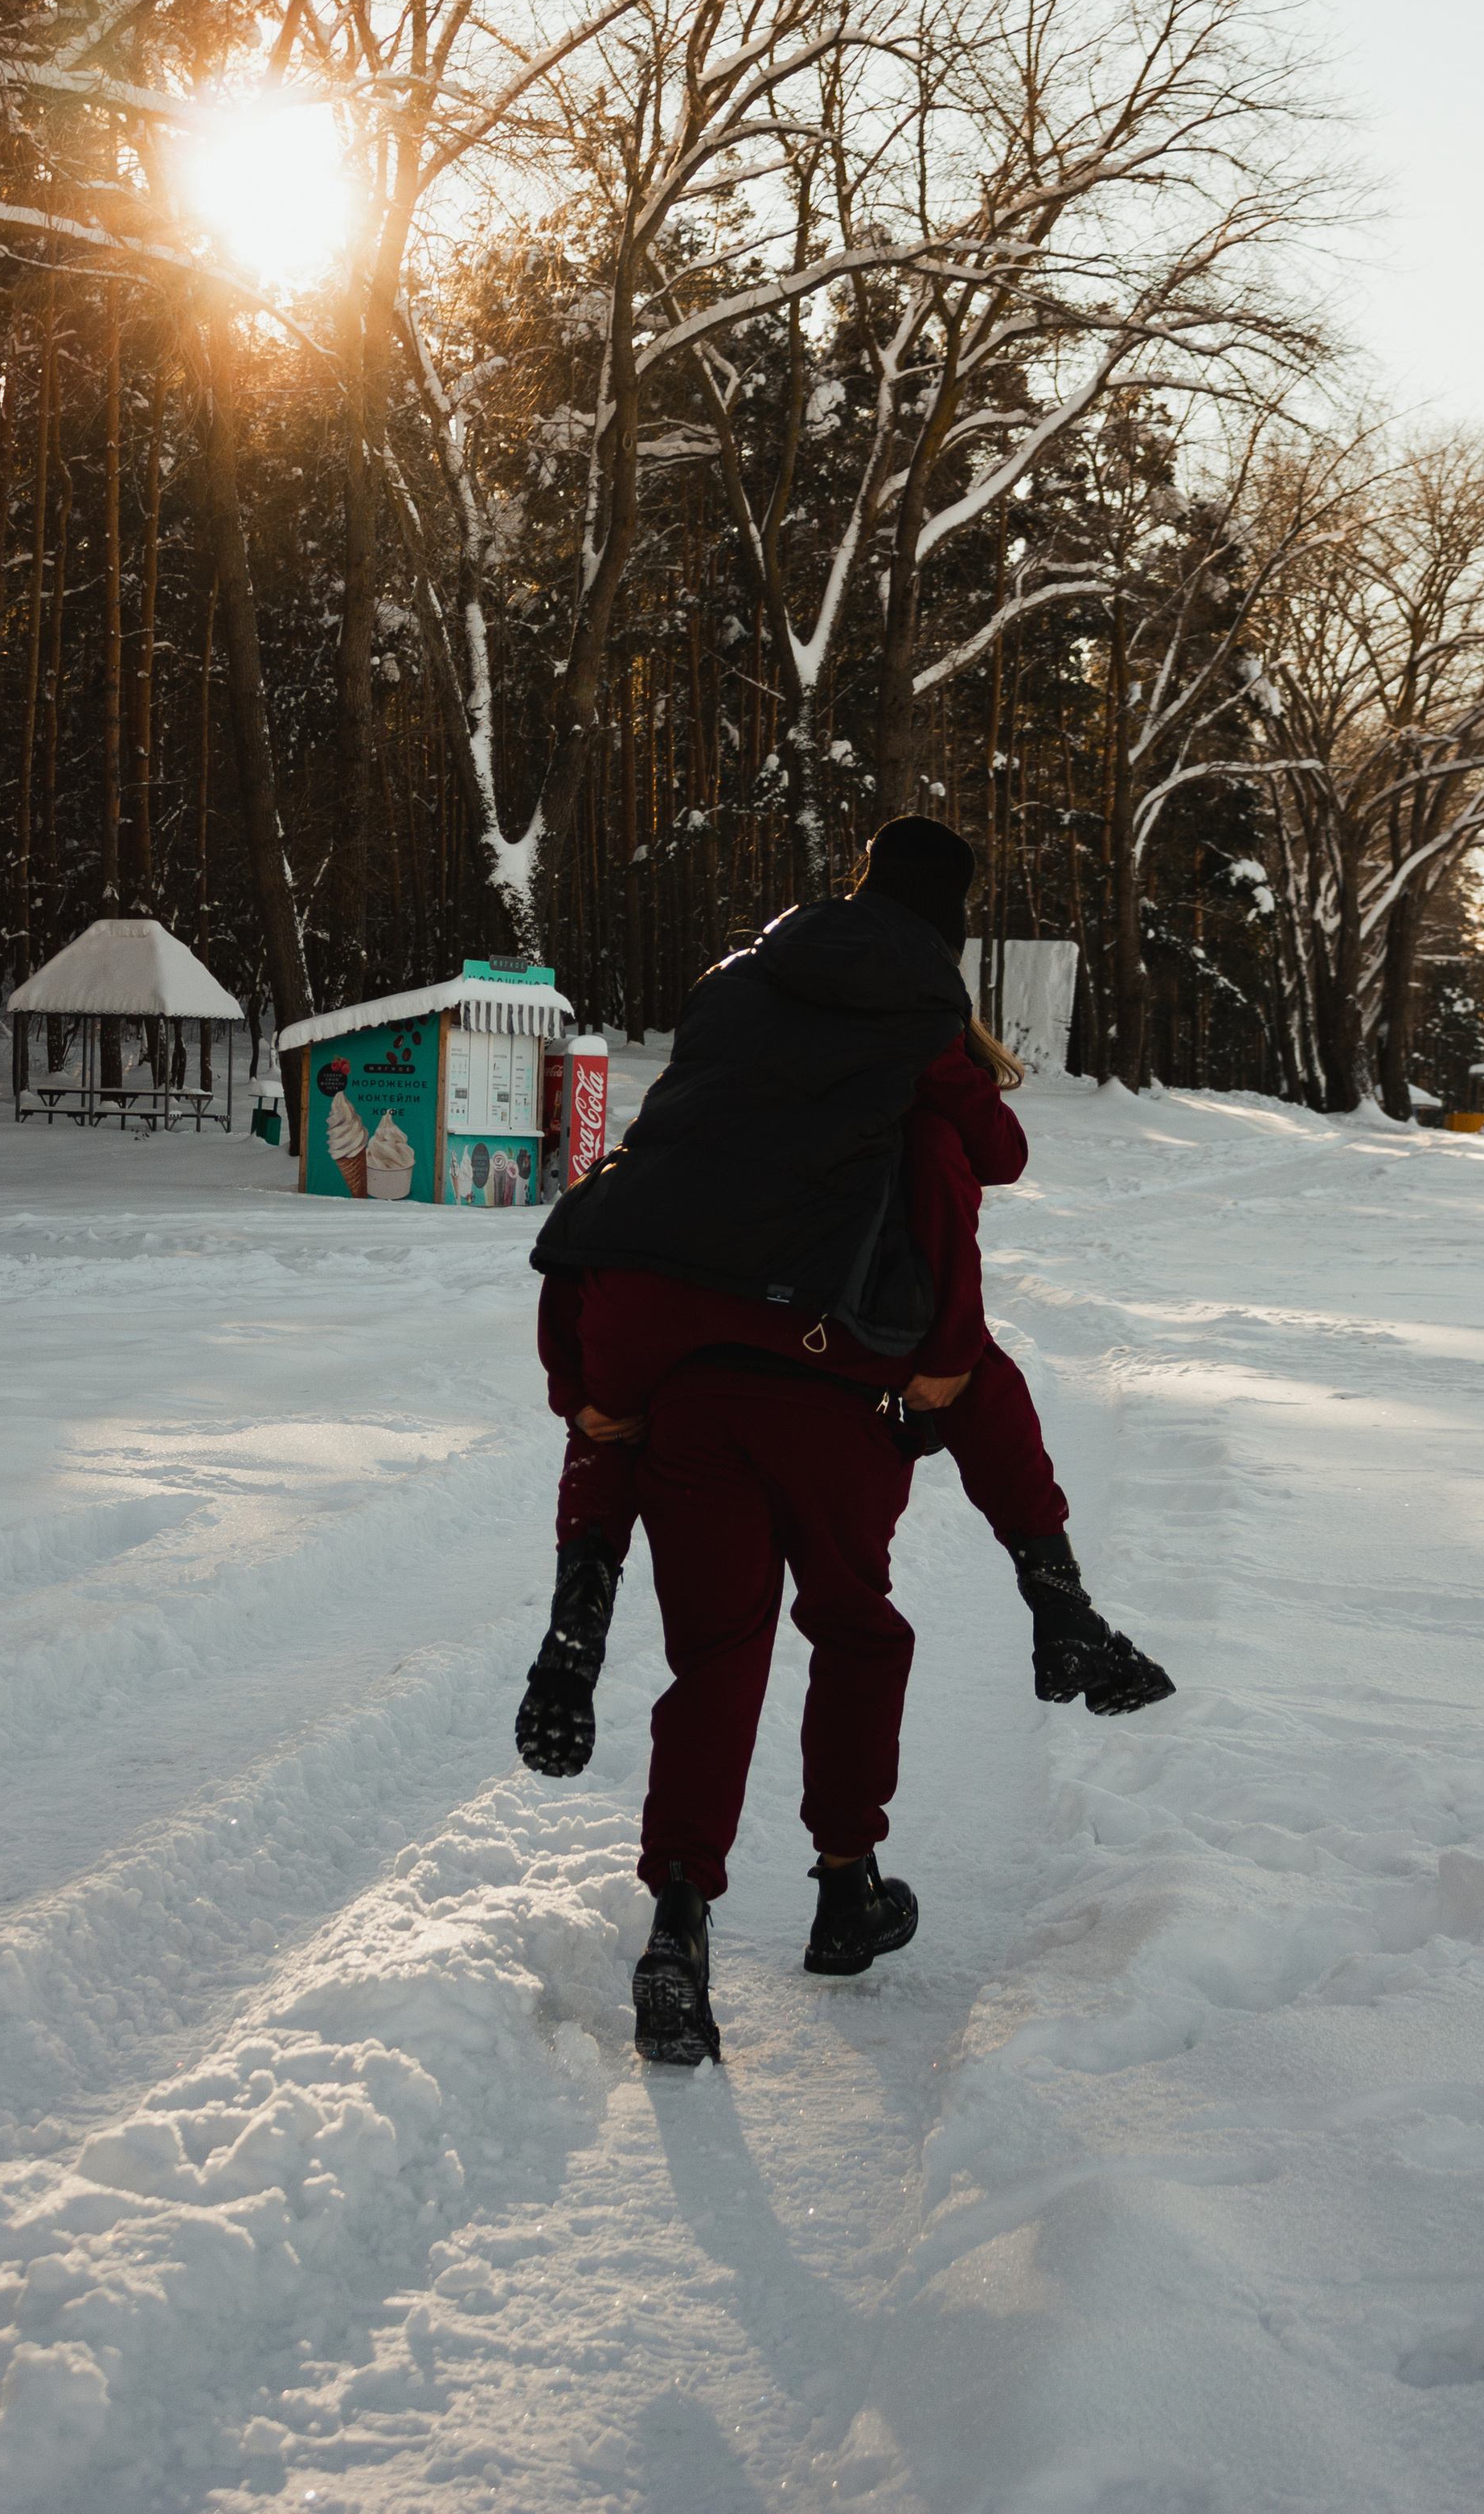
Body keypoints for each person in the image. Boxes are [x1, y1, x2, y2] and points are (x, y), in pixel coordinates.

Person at [520, 818, 1171, 2063]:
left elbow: (676, 1139)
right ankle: (850, 1876)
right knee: (860, 1621)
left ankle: (675, 1922)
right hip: (829, 1364)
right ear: (949, 932)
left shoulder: (734, 986)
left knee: (711, 1642)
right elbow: (987, 1169)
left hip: (663, 1322)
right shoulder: (921, 1037)